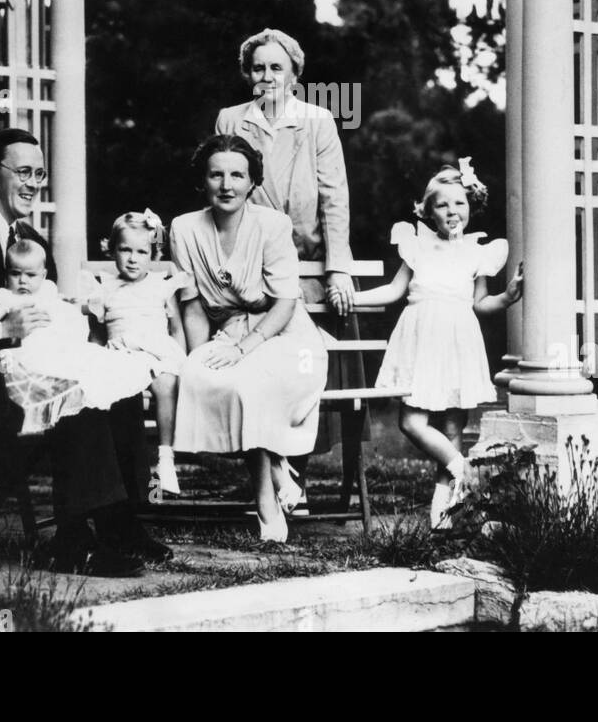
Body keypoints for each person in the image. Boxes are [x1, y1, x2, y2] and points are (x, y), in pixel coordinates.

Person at [0, 127, 170, 575]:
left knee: (114, 380)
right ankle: (73, 541)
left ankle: (119, 522)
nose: (34, 183)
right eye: (24, 172)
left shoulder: (31, 238)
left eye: (40, 173)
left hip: (29, 370)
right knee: (76, 393)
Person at [214, 28, 360, 495]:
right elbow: (222, 190)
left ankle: (291, 464)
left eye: (277, 67)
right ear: (246, 73)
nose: (267, 76)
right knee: (250, 357)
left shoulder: (317, 121)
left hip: (305, 262)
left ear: (295, 73)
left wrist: (338, 267)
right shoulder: (231, 119)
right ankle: (268, 469)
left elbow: (335, 196)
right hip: (249, 262)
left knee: (300, 362)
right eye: (258, 68)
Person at [168, 134, 329, 542]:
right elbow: (191, 305)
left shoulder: (272, 224)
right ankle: (277, 467)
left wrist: (244, 348)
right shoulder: (185, 229)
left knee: (251, 382)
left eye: (237, 175)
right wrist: (197, 356)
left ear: (252, 181)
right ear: (202, 181)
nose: (227, 185)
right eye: (216, 174)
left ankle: (265, 502)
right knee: (205, 376)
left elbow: (284, 304)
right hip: (226, 334)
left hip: (288, 337)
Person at [352, 159, 524, 529]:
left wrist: (507, 297)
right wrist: (353, 297)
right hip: (421, 337)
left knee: (451, 426)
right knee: (411, 422)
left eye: (459, 203)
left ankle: (442, 514)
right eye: (443, 204)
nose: (452, 211)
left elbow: (481, 303)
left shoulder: (477, 251)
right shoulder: (419, 246)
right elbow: (394, 290)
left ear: (471, 208)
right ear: (429, 211)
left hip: (457, 338)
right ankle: (464, 470)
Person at [0, 236, 155, 436]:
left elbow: (55, 301)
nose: (22, 281)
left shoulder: (46, 289)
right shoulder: (7, 296)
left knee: (97, 365)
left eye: (30, 275)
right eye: (15, 274)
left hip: (55, 343)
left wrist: (66, 302)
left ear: (43, 275)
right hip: (30, 349)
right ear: (7, 274)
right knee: (70, 373)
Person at [83, 210, 190, 496]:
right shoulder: (104, 289)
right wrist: (91, 362)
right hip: (120, 357)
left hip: (156, 353)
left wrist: (181, 359)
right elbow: (96, 334)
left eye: (141, 251)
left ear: (153, 256)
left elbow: (176, 328)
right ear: (111, 250)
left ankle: (165, 459)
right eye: (125, 249)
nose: (132, 258)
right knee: (120, 397)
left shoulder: (160, 286)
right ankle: (131, 482)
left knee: (167, 383)